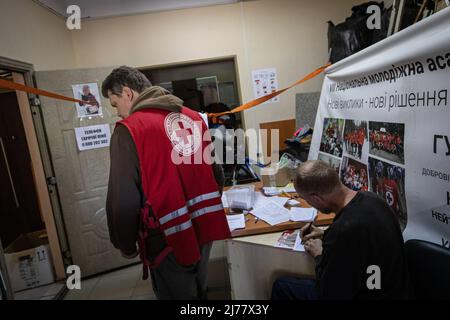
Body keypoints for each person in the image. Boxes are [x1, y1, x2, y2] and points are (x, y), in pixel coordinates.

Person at [102, 66, 231, 300]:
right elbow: (217, 175)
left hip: (165, 238)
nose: (117, 113)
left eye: (114, 103)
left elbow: (123, 200)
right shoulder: (193, 117)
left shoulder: (129, 131)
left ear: (128, 93)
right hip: (203, 226)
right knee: (199, 288)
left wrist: (125, 243)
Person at [271, 160, 410, 300]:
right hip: (393, 290)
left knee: (281, 286)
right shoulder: (374, 199)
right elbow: (363, 241)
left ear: (316, 198)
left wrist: (319, 254)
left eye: (307, 200)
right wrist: (325, 234)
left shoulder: (342, 230)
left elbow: (329, 293)